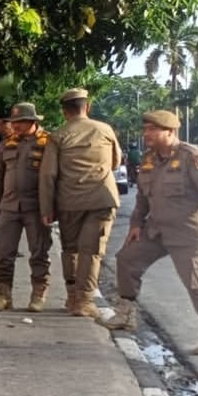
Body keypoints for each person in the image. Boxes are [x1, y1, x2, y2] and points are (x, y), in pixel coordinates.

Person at [102, 110, 198, 357]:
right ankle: (126, 313)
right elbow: (141, 198)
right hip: (156, 229)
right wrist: (136, 224)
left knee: (197, 283)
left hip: (188, 233)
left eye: (152, 129)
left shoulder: (193, 158)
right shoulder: (149, 160)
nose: (146, 133)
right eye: (146, 128)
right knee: (127, 259)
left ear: (170, 132)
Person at [39, 88, 123, 318]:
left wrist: (47, 208)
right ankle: (85, 301)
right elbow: (116, 162)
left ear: (65, 111)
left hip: (70, 201)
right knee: (92, 251)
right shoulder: (105, 130)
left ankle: (72, 297)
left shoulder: (57, 136)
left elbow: (48, 175)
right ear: (87, 107)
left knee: (71, 250)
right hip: (101, 198)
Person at [0, 103, 53, 312]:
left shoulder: (48, 143)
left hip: (36, 207)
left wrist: (50, 208)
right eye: (13, 122)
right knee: (3, 252)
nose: (14, 126)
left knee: (39, 252)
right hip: (8, 206)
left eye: (19, 122)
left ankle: (38, 295)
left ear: (32, 122)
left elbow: (54, 177)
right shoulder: (6, 145)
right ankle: (4, 295)